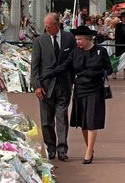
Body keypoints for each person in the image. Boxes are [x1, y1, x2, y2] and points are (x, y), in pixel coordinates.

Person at [40, 26, 112, 164]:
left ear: (87, 39)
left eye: (79, 39)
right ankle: (90, 148)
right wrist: (49, 74)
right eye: (76, 39)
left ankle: (88, 152)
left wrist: (95, 72)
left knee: (92, 122)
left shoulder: (100, 51)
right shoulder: (75, 52)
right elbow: (64, 67)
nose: (77, 42)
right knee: (84, 122)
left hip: (95, 89)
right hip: (80, 89)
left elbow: (108, 69)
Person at [31, 12, 76, 161]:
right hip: (45, 86)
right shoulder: (39, 41)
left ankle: (62, 149)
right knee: (46, 120)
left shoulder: (69, 38)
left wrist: (73, 80)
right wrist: (37, 86)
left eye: (49, 26)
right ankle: (50, 147)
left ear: (57, 25)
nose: (47, 28)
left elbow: (73, 61)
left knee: (62, 117)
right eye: (46, 26)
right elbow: (35, 67)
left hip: (63, 85)